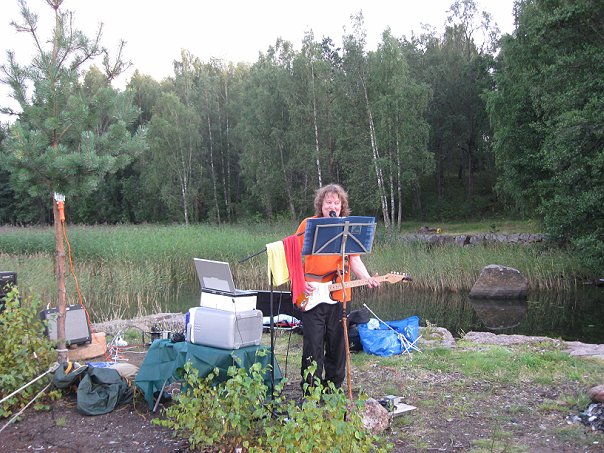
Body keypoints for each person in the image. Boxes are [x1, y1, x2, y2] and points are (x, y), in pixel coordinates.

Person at [295, 183, 379, 390]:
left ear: (342, 206)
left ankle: (332, 389)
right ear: (321, 204)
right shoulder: (308, 224)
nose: (332, 206)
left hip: (339, 296)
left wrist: (367, 278)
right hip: (312, 293)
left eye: (336, 203)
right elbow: (294, 257)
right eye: (328, 202)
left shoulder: (348, 229)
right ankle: (310, 390)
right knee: (313, 346)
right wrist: (300, 282)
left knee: (337, 345)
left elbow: (355, 260)